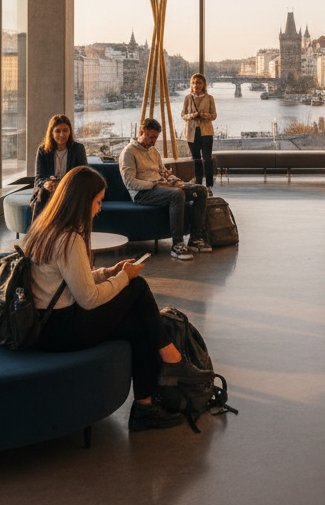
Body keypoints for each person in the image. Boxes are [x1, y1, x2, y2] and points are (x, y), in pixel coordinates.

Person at [25, 165, 212, 432]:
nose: (99, 209)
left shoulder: (46, 228)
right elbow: (88, 298)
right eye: (98, 201)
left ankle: (144, 408)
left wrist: (109, 272)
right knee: (136, 287)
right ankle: (172, 359)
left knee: (140, 326)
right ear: (81, 200)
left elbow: (72, 279)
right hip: (59, 329)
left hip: (49, 324)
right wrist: (124, 278)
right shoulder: (68, 238)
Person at [119, 119, 211, 259]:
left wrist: (173, 180)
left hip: (161, 187)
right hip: (142, 193)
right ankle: (177, 245)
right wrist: (156, 184)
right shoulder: (128, 152)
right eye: (151, 137)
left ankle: (196, 239)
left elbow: (163, 172)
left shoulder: (153, 151)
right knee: (177, 195)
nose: (154, 141)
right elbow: (130, 182)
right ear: (141, 132)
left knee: (201, 191)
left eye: (156, 137)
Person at [31, 114, 88, 223]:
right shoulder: (43, 151)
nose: (62, 134)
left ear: (70, 131)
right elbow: (38, 178)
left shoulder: (78, 149)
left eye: (65, 130)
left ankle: (71, 235)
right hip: (48, 191)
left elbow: (84, 175)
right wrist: (47, 184)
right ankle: (38, 234)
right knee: (43, 194)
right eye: (57, 131)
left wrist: (67, 183)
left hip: (70, 189)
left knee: (72, 196)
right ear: (51, 132)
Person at [182, 72, 217, 188]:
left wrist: (204, 115)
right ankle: (198, 183)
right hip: (191, 133)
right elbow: (183, 115)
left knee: (207, 159)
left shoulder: (209, 98)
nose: (196, 85)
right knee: (196, 159)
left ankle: (209, 184)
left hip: (206, 132)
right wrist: (192, 115)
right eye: (194, 83)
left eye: (199, 83)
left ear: (203, 85)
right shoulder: (188, 98)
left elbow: (214, 115)